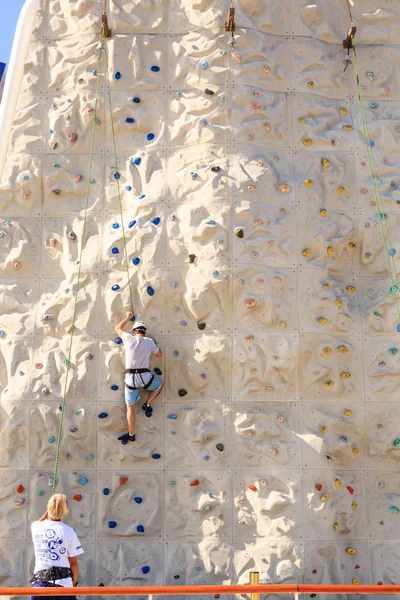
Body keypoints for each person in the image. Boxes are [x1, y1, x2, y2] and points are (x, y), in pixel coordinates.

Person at [115, 312, 163, 442]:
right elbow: (159, 355)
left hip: (131, 378)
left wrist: (128, 317)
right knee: (159, 385)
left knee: (130, 407)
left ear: (134, 331)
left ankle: (131, 434)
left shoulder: (128, 338)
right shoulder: (149, 342)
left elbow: (117, 328)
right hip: (145, 376)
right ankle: (147, 403)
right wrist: (153, 343)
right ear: (145, 332)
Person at [30, 494, 83, 600]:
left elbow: (41, 520)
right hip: (63, 584)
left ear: (48, 508)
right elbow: (73, 563)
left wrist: (50, 509)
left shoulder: (36, 527)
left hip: (40, 584)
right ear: (64, 510)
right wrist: (74, 584)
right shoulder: (69, 531)